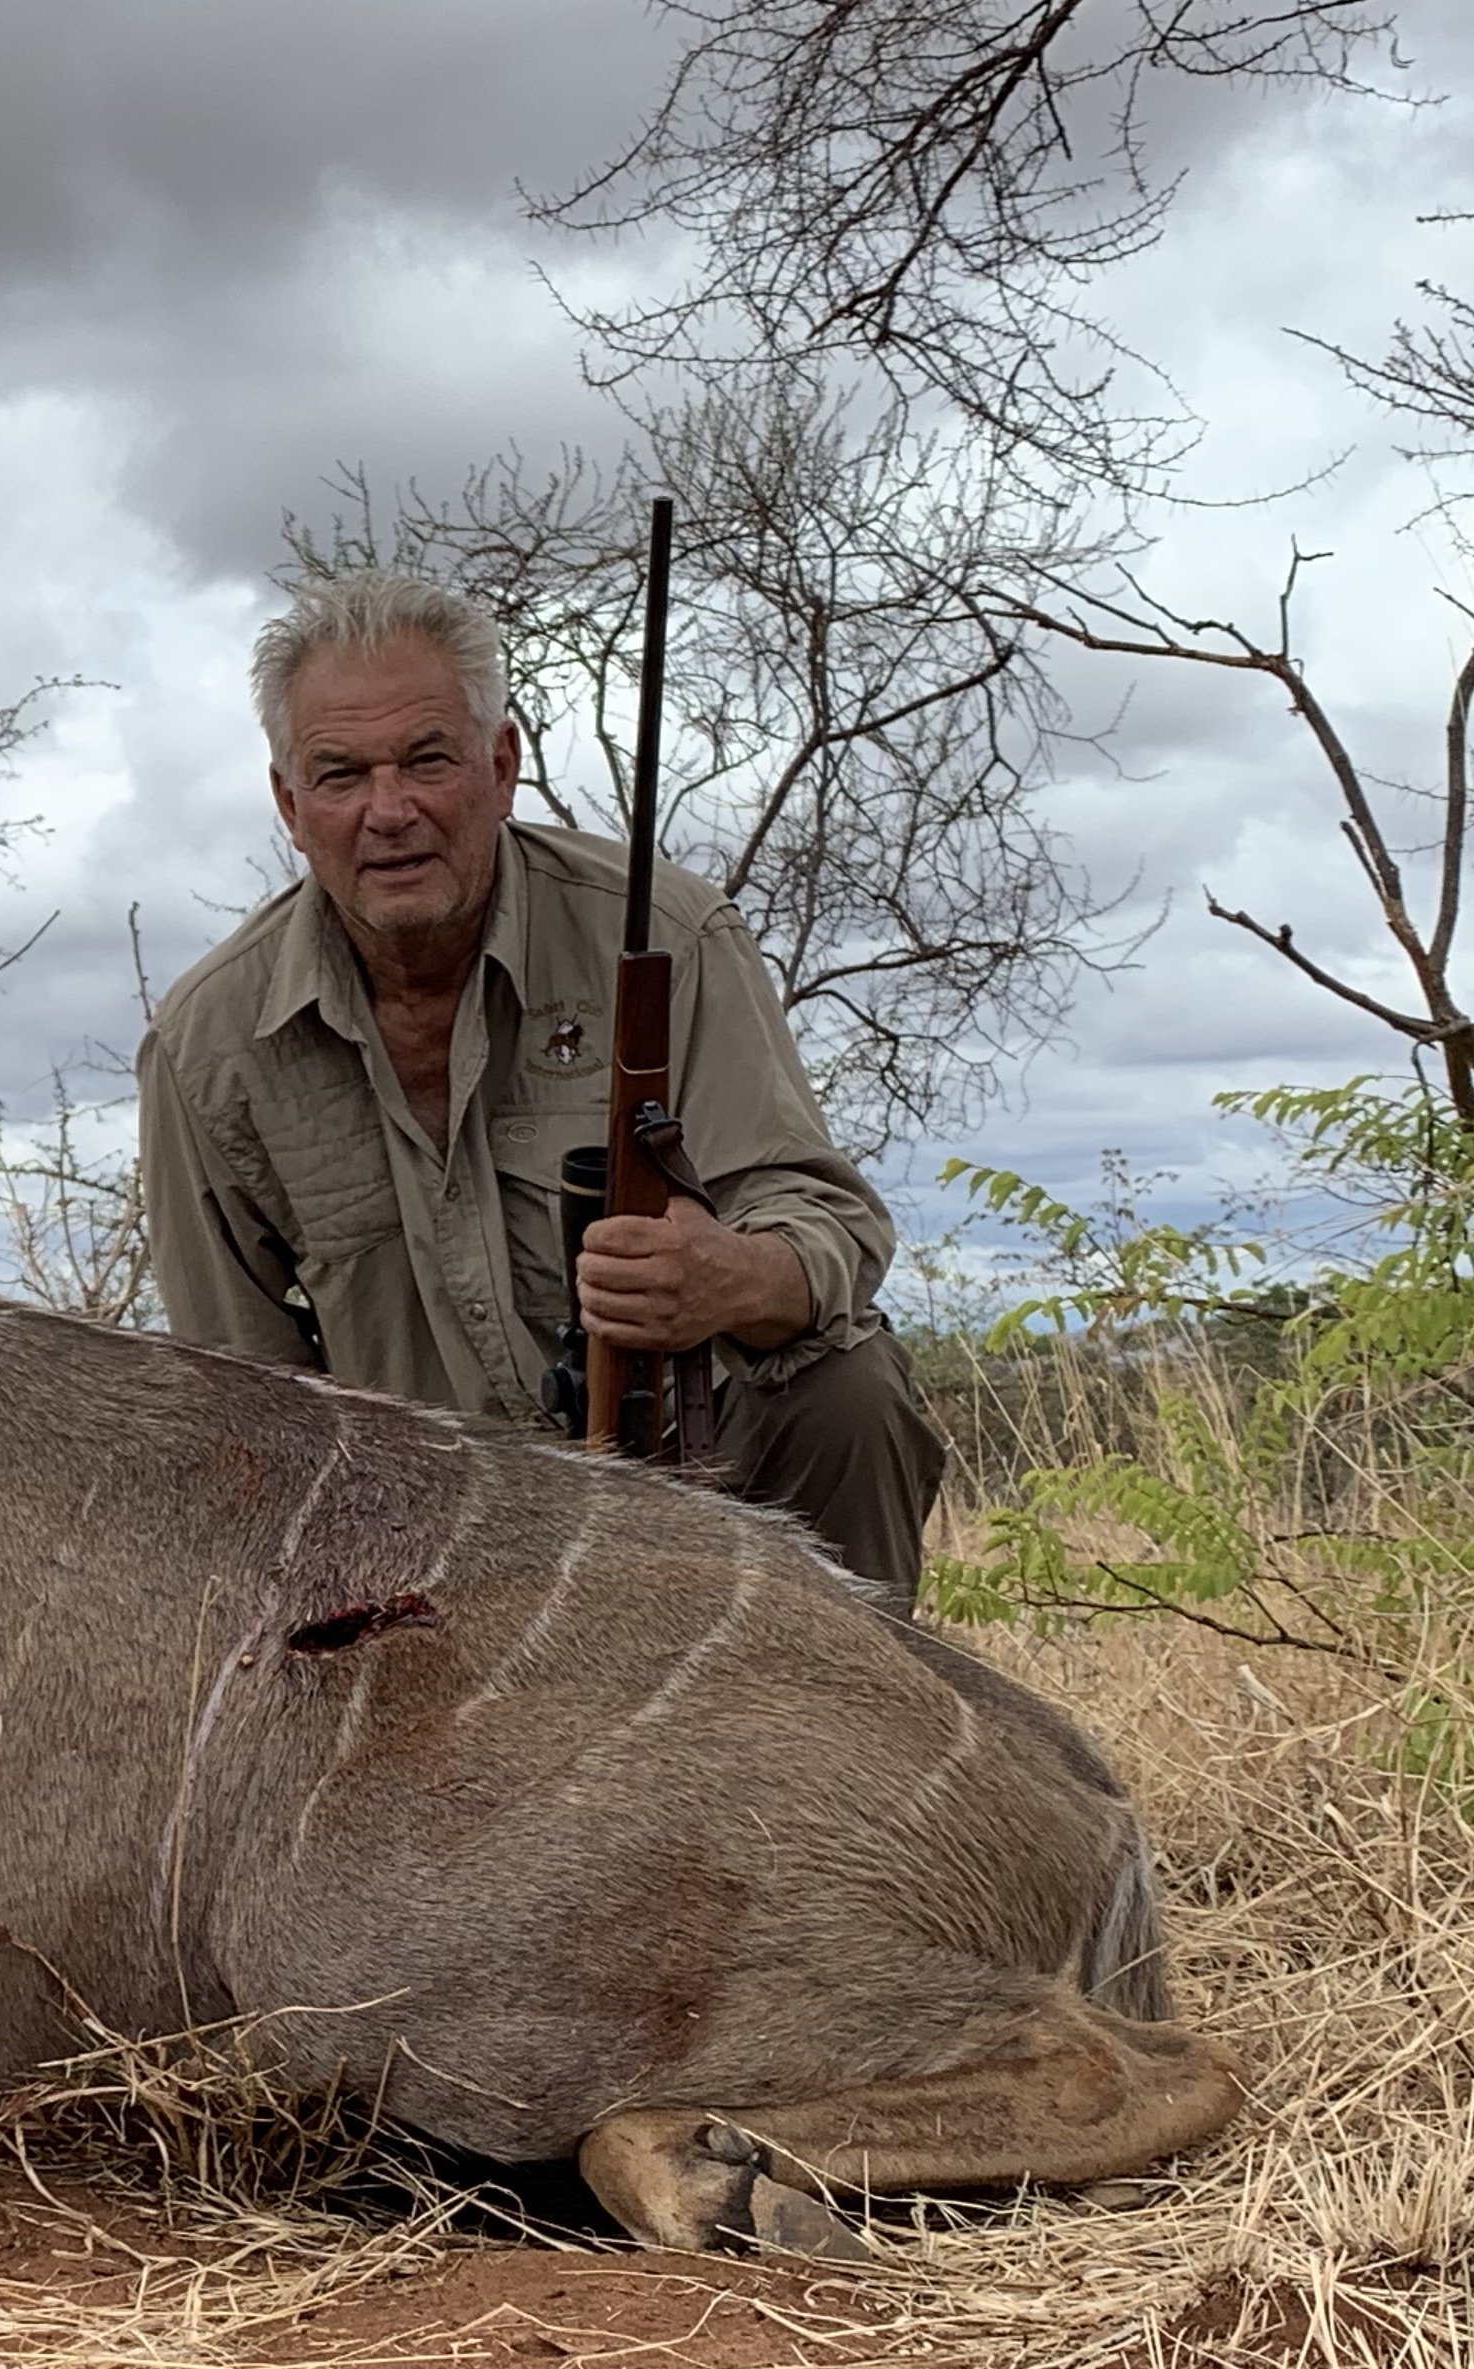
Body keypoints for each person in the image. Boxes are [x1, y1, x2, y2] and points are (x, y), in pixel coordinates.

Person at [137, 566, 946, 1605]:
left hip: (688, 1475)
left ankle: (856, 1740)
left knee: (849, 1389)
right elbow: (239, 1397)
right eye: (340, 775)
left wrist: (735, 1276)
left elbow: (823, 1219)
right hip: (424, 1537)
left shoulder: (669, 936)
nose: (389, 811)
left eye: (428, 759)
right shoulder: (203, 1048)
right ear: (291, 806)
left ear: (501, 761)